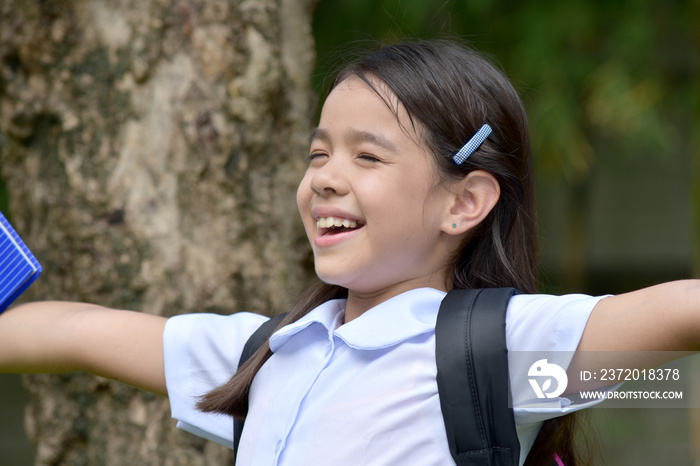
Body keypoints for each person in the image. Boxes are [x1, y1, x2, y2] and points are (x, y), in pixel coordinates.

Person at [0, 40, 698, 466]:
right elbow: (77, 332)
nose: (326, 176)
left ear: (464, 202)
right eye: (318, 154)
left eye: (368, 155)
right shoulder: (267, 356)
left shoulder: (503, 351)